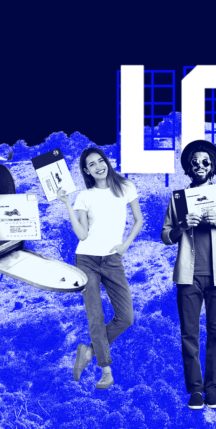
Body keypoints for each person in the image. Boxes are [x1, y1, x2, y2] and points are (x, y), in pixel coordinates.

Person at [161, 140, 216, 411]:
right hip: (188, 276)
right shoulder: (178, 199)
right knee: (189, 333)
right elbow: (165, 236)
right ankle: (195, 390)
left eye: (205, 162)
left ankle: (212, 390)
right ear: (189, 166)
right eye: (195, 162)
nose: (200, 166)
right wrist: (182, 226)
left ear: (214, 166)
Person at [59, 147, 143, 390]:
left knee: (126, 317)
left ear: (106, 162)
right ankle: (106, 371)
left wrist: (125, 245)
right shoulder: (84, 196)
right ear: (86, 171)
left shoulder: (125, 187)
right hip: (86, 260)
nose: (98, 166)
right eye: (91, 164)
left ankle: (89, 351)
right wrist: (67, 204)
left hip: (113, 259)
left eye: (100, 161)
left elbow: (138, 219)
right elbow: (82, 234)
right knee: (96, 317)